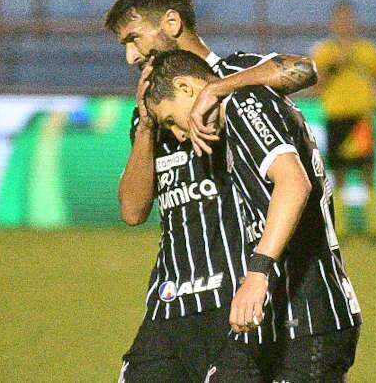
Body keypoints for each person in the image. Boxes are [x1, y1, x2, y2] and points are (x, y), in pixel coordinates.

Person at [104, 0, 317, 382]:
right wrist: (147, 127)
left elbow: (306, 69)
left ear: (171, 22)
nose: (132, 55)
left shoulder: (240, 77)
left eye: (133, 38)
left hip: (233, 304)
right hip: (169, 305)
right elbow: (132, 211)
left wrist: (218, 89)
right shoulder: (154, 107)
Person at [145, 49, 362, 382]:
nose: (177, 134)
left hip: (308, 319)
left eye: (172, 119)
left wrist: (257, 273)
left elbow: (293, 184)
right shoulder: (235, 116)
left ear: (187, 88)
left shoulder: (243, 105)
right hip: (279, 321)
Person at [311, 0, 376, 239]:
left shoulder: (367, 51)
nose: (344, 23)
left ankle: (374, 228)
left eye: (348, 18)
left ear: (354, 21)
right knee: (338, 174)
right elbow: (317, 85)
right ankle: (342, 228)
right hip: (336, 116)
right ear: (333, 22)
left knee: (367, 170)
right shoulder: (324, 52)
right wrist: (332, 67)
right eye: (340, 18)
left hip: (361, 119)